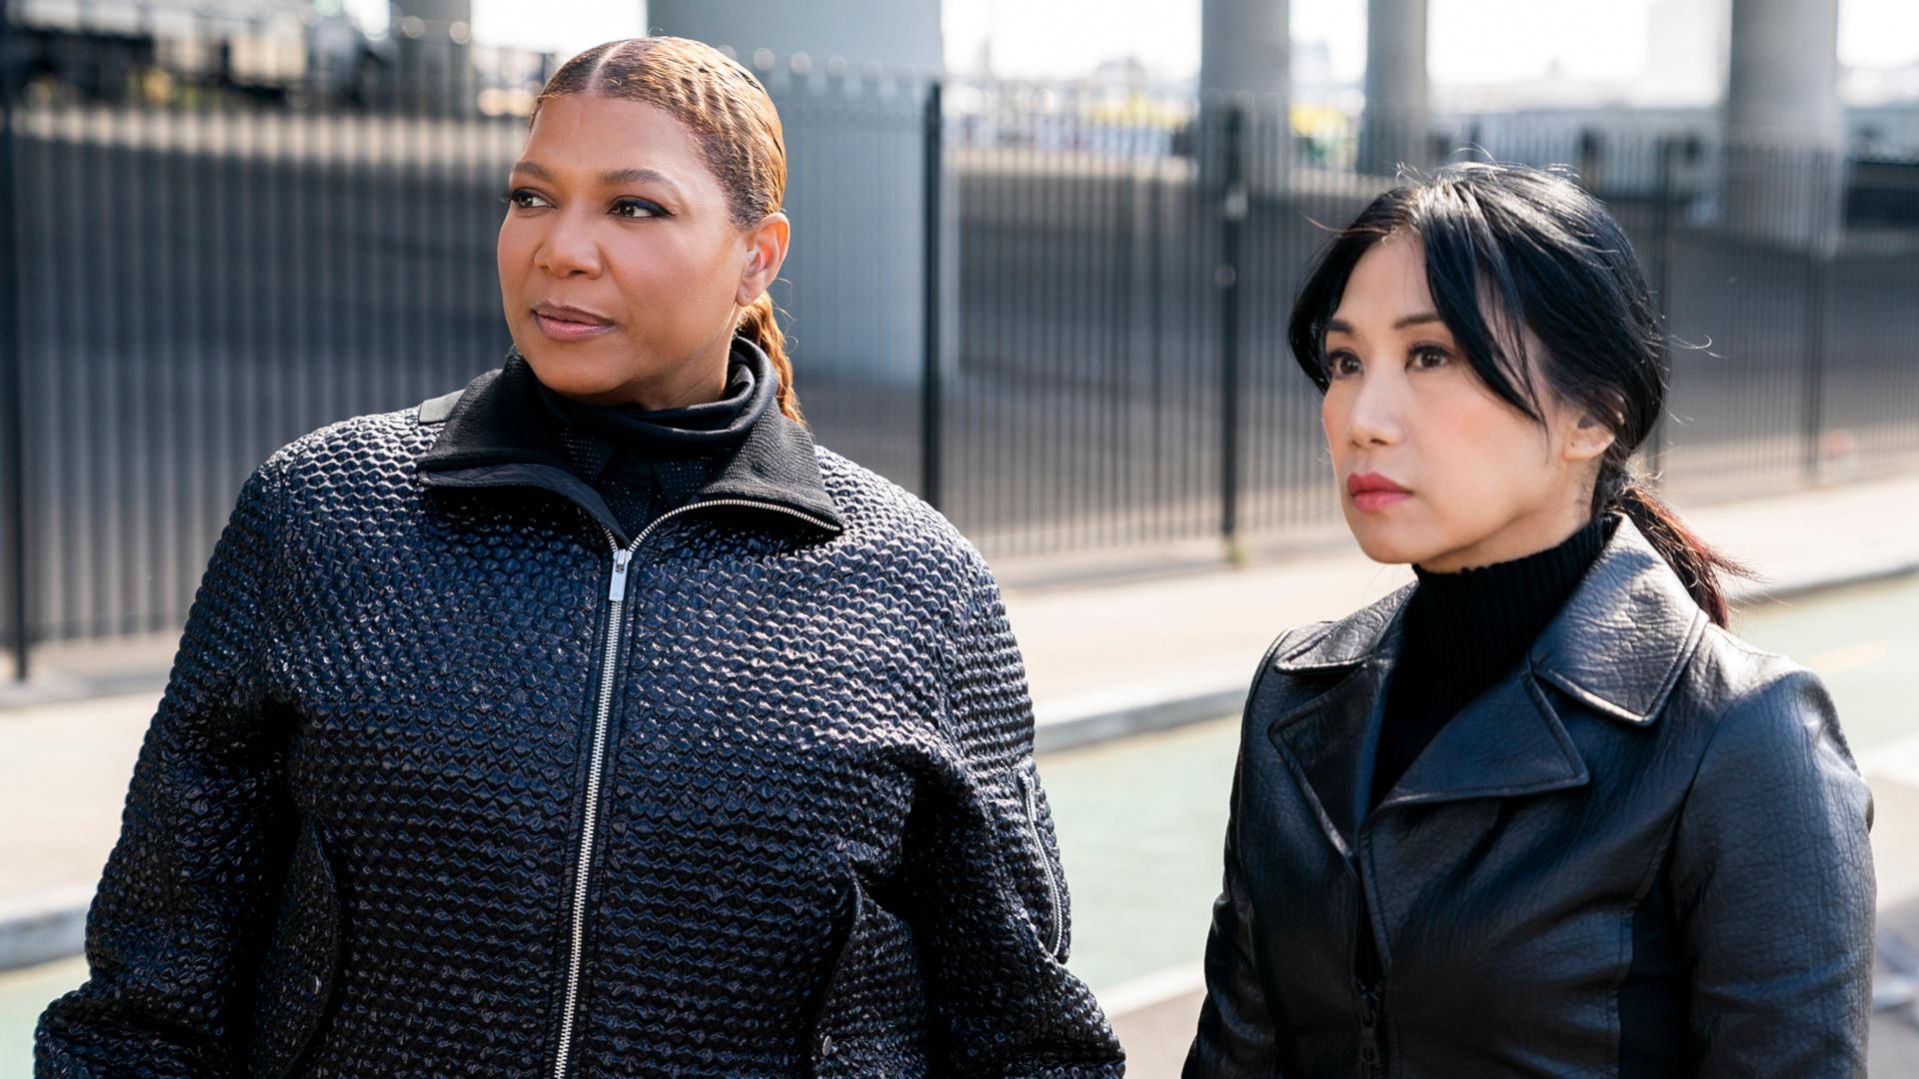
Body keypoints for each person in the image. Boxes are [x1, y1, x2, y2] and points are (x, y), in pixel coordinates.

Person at [37, 36, 1122, 1077]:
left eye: (633, 206)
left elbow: (1026, 1039)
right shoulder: (323, 511)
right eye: (531, 196)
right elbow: (148, 999)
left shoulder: (919, 583)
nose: (559, 246)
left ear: (757, 256)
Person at [1184, 162, 1875, 1077]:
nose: (1362, 419)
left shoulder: (1742, 735)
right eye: (1346, 362)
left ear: (1594, 411)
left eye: (1430, 356)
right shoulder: (1296, 691)